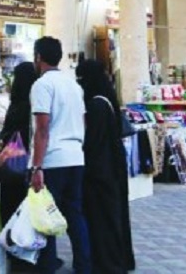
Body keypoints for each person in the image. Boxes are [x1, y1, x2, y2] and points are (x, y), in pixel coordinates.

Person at [29, 37, 91, 274]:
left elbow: (42, 129)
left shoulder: (42, 85)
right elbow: (83, 121)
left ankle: (47, 265)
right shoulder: (74, 86)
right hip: (76, 157)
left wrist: (37, 167)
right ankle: (84, 265)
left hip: (53, 160)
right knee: (75, 214)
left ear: (38, 57)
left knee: (46, 214)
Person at [76, 60, 136, 274]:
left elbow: (94, 142)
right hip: (111, 168)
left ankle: (106, 262)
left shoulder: (96, 105)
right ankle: (116, 259)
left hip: (101, 171)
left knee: (102, 218)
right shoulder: (106, 100)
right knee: (112, 216)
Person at [0, 61, 38, 250]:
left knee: (10, 206)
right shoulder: (34, 105)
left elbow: (7, 133)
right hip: (29, 162)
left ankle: (11, 247)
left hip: (12, 164)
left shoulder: (15, 105)